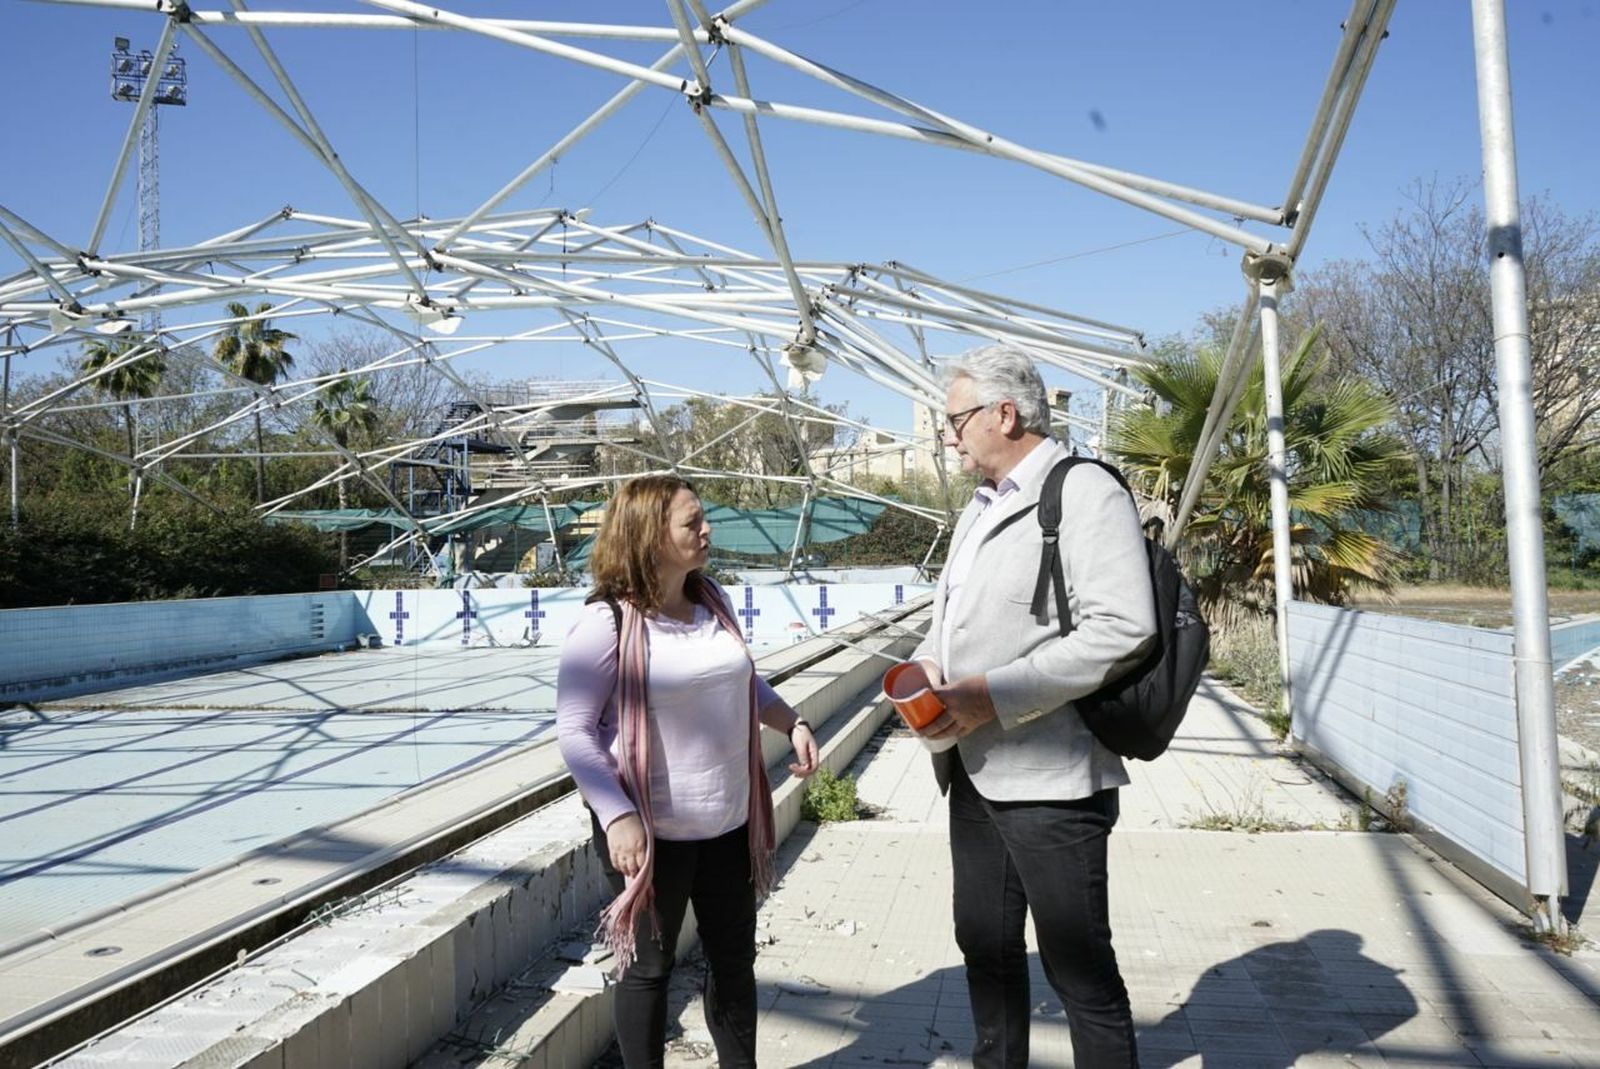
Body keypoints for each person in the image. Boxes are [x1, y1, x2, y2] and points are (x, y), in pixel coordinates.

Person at [908, 345, 1157, 1069]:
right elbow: (945, 619)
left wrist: (992, 694)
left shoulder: (1083, 493)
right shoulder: (981, 507)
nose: (949, 434)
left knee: (1078, 968)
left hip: (1053, 780)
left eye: (956, 419)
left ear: (1004, 414)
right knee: (983, 944)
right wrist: (929, 667)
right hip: (975, 772)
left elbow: (1124, 627)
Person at [556, 474, 820, 1069]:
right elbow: (574, 730)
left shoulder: (711, 601)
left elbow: (742, 679)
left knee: (734, 961)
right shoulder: (608, 623)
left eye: (704, 519)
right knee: (649, 970)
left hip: (727, 821)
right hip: (650, 833)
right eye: (692, 522)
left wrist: (792, 721)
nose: (707, 530)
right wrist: (617, 815)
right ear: (651, 536)